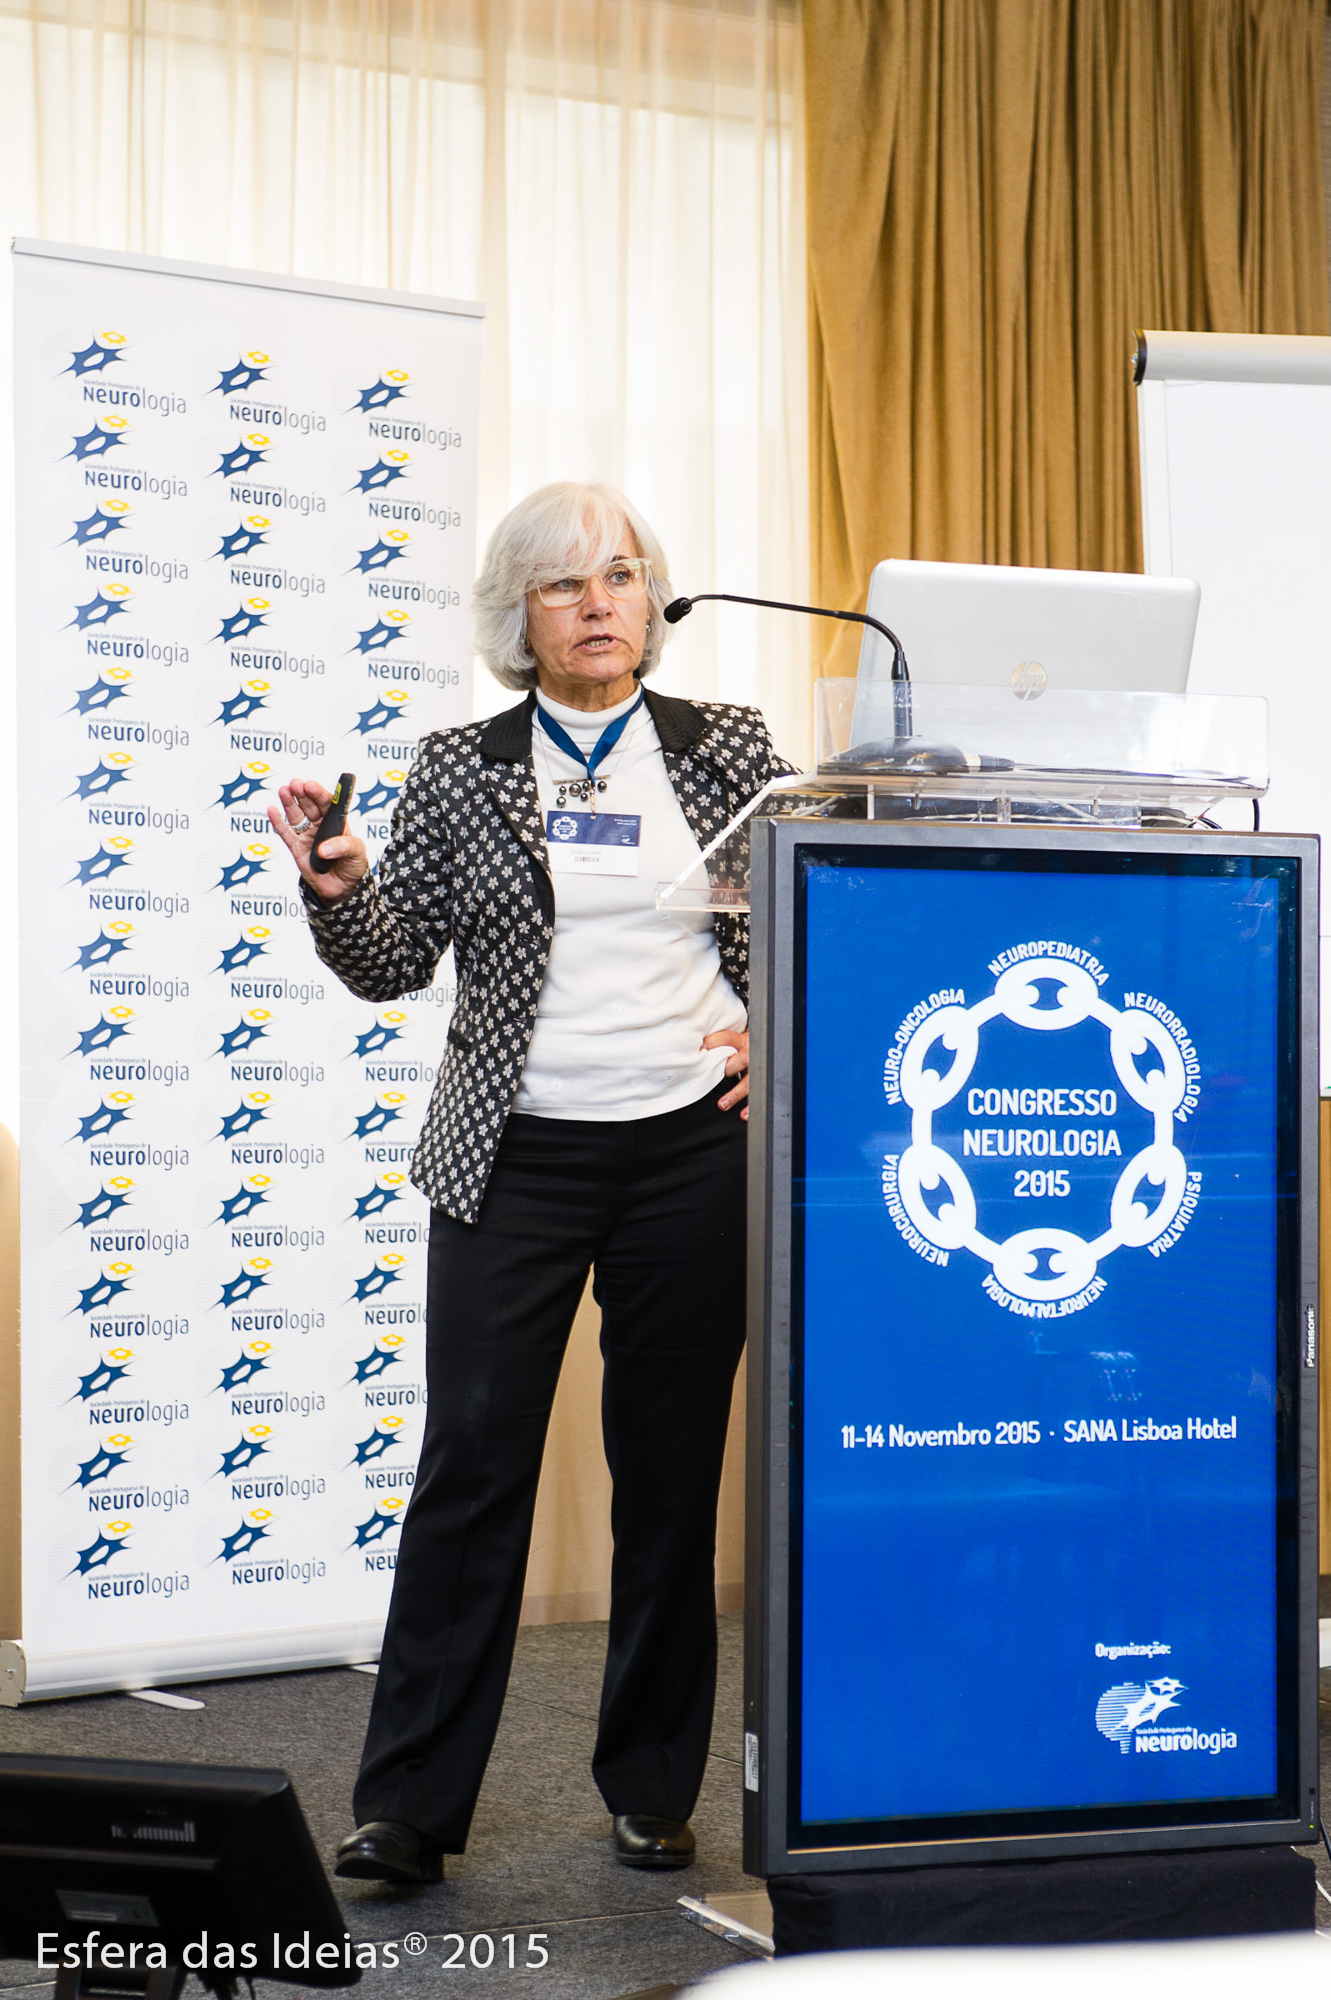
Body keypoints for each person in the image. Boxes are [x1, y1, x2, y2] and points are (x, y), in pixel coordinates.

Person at [268, 481, 793, 1886]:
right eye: (566, 584)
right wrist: (337, 887)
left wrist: (784, 1032)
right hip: (514, 1153)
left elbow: (807, 917)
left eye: (621, 575)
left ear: (652, 600)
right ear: (521, 616)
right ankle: (408, 1808)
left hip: (692, 1149)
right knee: (472, 1467)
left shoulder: (733, 747)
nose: (600, 603)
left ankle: (651, 1785)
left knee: (670, 1475)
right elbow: (393, 964)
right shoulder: (461, 765)